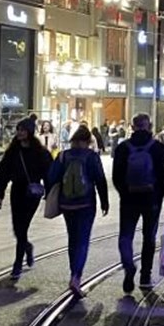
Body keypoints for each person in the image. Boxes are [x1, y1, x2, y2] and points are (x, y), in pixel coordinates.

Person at [112, 114, 164, 293]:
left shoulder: (123, 148)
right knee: (149, 237)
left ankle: (128, 266)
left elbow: (116, 177)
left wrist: (125, 192)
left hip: (129, 200)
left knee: (125, 236)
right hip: (152, 199)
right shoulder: (158, 148)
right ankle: (145, 276)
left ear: (132, 127)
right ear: (150, 127)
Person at [47, 125, 110, 298]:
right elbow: (100, 179)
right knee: (82, 240)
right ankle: (76, 276)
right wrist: (104, 201)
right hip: (86, 204)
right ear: (88, 141)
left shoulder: (63, 155)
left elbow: (52, 177)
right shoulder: (91, 156)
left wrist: (50, 195)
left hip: (67, 204)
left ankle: (73, 273)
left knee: (72, 239)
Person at [0, 116, 53, 280]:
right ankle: (27, 247)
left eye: (22, 130)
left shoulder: (40, 153)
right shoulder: (13, 151)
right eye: (18, 130)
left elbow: (49, 173)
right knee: (17, 228)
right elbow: (3, 173)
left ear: (30, 132)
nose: (19, 133)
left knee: (22, 226)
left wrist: (49, 192)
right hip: (17, 191)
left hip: (32, 192)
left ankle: (18, 263)